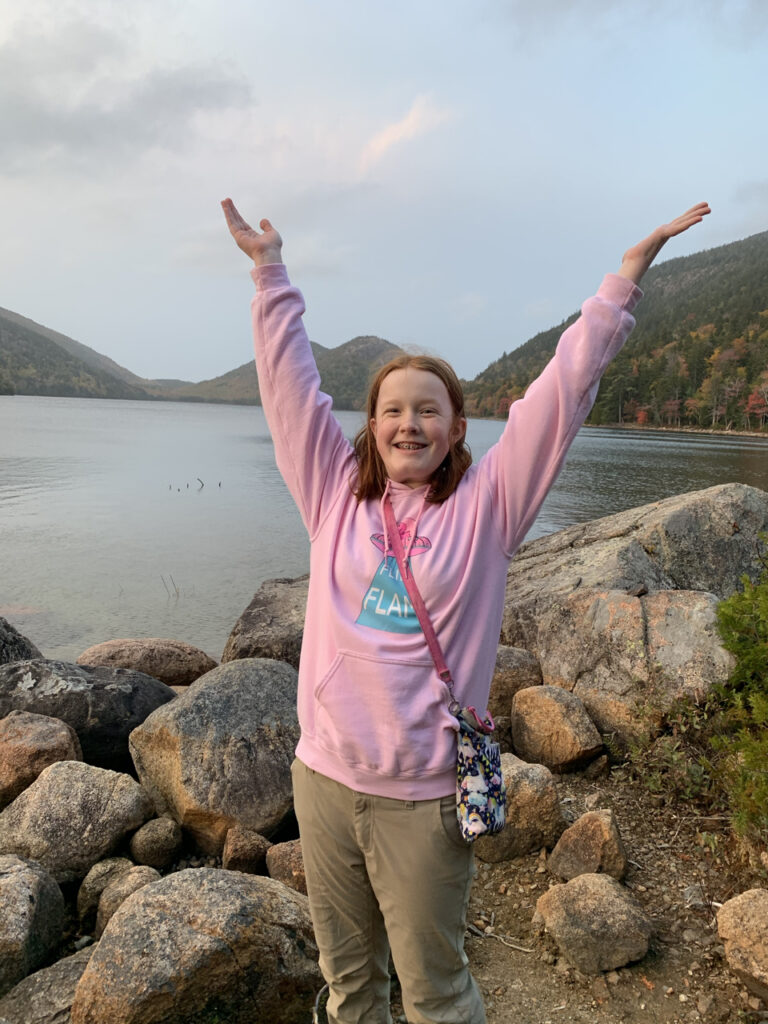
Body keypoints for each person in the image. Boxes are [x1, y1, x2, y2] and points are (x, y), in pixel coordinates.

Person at [221, 198, 710, 1024]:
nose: (408, 421)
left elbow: (557, 399)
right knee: (347, 990)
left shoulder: (487, 511)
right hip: (324, 782)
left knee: (436, 993)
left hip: (422, 796)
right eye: (391, 410)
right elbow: (290, 391)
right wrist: (270, 276)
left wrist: (621, 286)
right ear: (369, 429)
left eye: (427, 409)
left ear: (454, 430)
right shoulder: (334, 498)